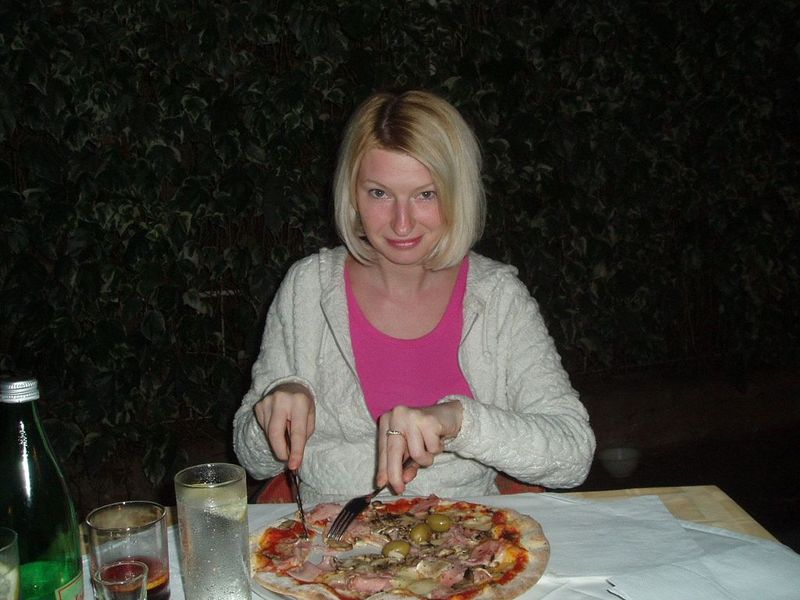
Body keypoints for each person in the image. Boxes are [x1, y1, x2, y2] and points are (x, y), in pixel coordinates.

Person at [233, 90, 595, 504]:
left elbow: (573, 454)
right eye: (379, 193)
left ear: (457, 193)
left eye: (426, 194)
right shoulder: (307, 289)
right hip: (327, 537)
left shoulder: (497, 297)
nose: (401, 224)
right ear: (352, 194)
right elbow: (253, 460)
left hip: (470, 533)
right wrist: (275, 407)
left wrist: (460, 422)